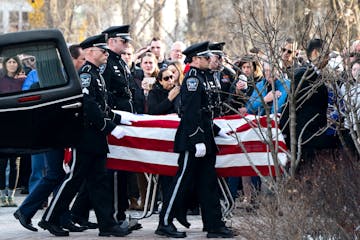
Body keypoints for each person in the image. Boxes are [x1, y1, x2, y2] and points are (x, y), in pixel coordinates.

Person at [39, 34, 132, 237]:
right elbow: (88, 105)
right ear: (90, 52)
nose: (106, 54)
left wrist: (118, 118)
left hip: (96, 138)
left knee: (99, 182)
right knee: (73, 179)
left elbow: (101, 105)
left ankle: (107, 225)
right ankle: (49, 218)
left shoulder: (97, 73)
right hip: (85, 136)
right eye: (102, 51)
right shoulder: (87, 74)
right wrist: (109, 127)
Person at [155, 41, 233, 238]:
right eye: (207, 58)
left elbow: (205, 112)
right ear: (197, 60)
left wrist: (215, 130)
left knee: (208, 183)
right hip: (193, 139)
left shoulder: (204, 77)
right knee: (181, 181)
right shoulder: (192, 79)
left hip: (205, 136)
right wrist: (197, 139)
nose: (210, 60)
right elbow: (189, 113)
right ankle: (164, 222)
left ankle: (214, 224)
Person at [280, 38, 339, 175]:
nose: (327, 59)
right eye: (325, 55)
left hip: (314, 136)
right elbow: (291, 105)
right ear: (314, 53)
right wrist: (285, 134)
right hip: (305, 138)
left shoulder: (318, 76)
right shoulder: (304, 75)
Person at [0, 55, 26, 207]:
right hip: (3, 124)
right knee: (2, 162)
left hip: (18, 125)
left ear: (18, 64)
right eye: (9, 61)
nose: (11, 64)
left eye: (14, 61)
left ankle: (11, 195)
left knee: (15, 163)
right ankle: (2, 196)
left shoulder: (23, 81)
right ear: (5, 64)